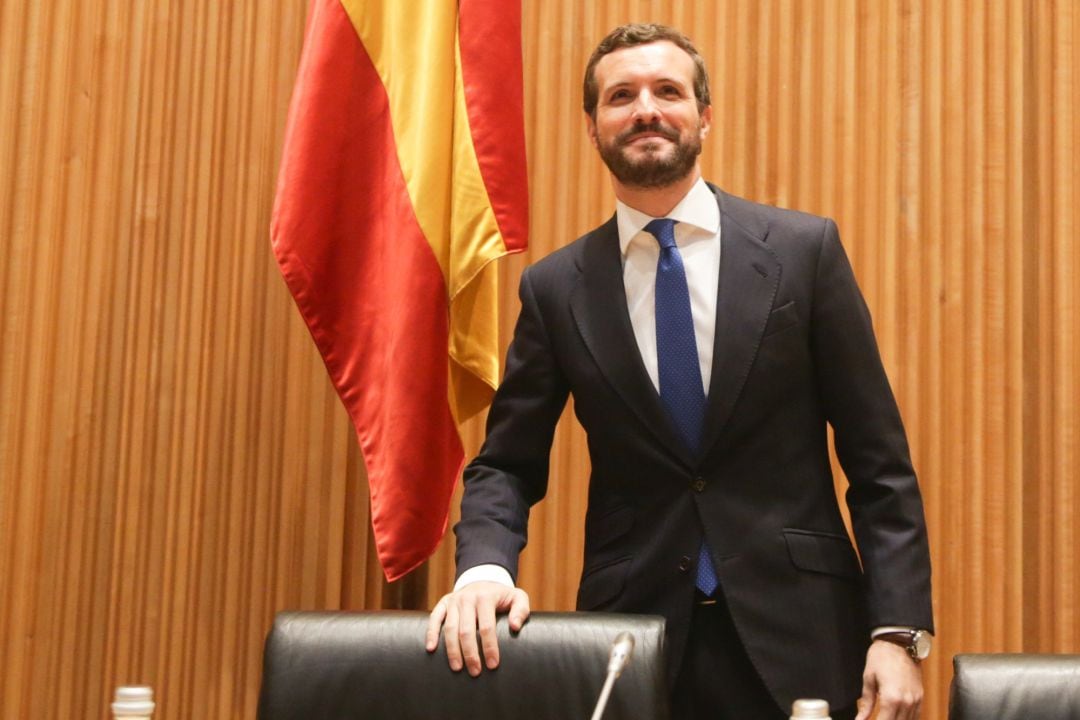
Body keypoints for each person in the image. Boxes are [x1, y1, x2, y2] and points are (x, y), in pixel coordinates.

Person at [425, 23, 933, 720]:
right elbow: (505, 464)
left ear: (704, 116)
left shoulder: (802, 253)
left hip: (807, 636)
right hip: (633, 641)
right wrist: (485, 567)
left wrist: (898, 630)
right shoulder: (556, 288)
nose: (646, 110)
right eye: (621, 96)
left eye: (668, 91)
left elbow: (879, 463)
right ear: (592, 126)